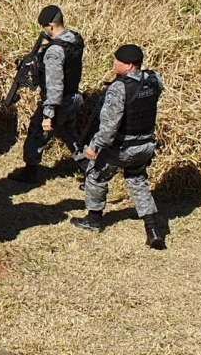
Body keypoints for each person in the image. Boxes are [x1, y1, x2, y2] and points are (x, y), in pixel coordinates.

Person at [70, 44, 166, 250]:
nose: (114, 63)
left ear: (130, 65)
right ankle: (153, 229)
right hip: (146, 145)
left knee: (95, 175)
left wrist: (94, 147)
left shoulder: (119, 88)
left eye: (118, 61)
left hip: (123, 147)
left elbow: (109, 126)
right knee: (138, 181)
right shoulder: (154, 79)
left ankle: (93, 220)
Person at [9, 5, 85, 184]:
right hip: (74, 96)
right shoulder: (74, 40)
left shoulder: (54, 51)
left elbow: (55, 84)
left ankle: (30, 171)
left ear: (50, 25)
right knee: (70, 134)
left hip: (58, 101)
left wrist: (48, 113)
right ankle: (92, 170)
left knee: (37, 131)